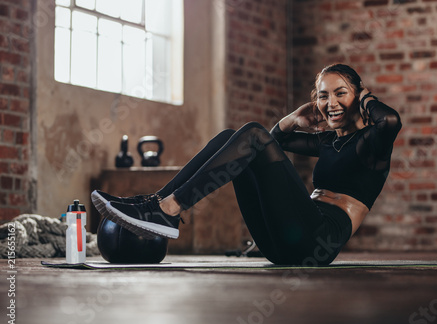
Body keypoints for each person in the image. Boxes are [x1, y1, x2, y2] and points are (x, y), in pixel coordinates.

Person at [92, 64, 402, 265]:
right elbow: (269, 142)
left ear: (358, 95)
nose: (330, 102)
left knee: (250, 135)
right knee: (232, 137)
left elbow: (389, 119)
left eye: (340, 93)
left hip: (318, 240)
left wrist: (364, 96)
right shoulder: (329, 141)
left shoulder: (374, 142)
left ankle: (169, 209)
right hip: (280, 242)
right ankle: (156, 205)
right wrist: (293, 119)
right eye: (323, 96)